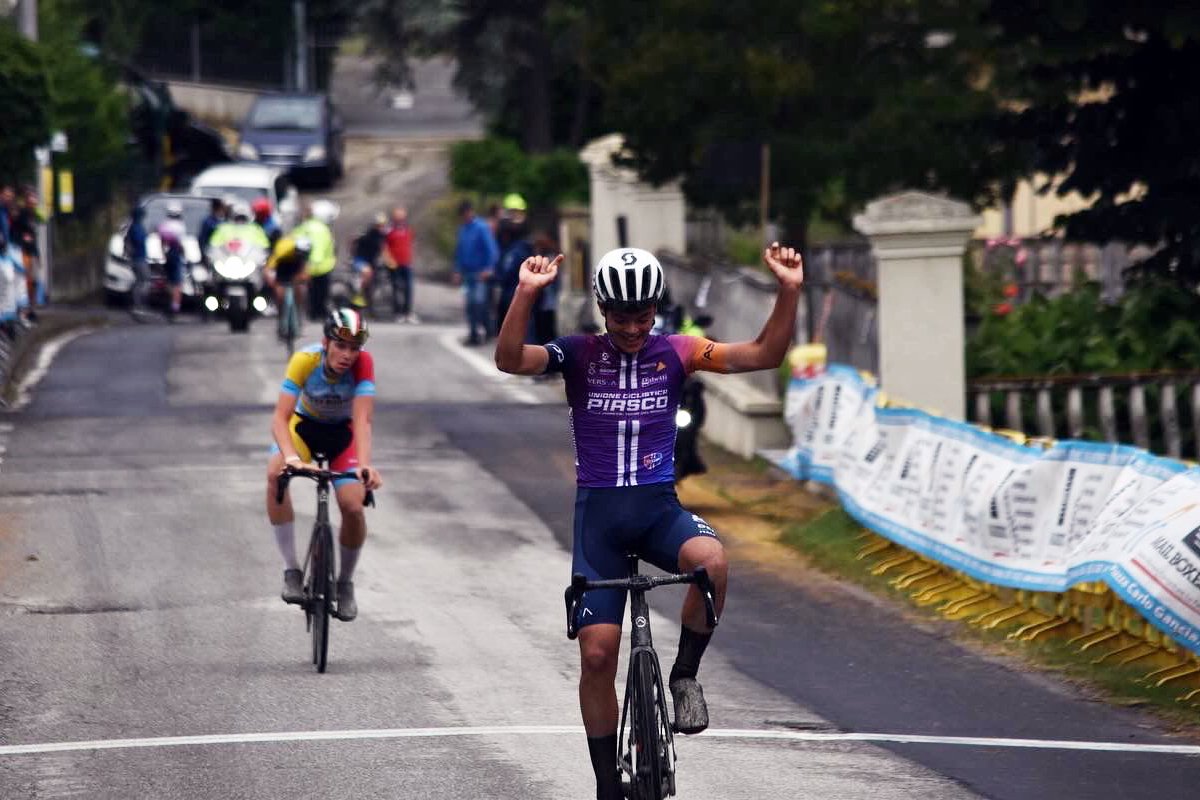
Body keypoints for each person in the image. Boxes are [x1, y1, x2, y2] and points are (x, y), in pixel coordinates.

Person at [495, 243, 804, 800]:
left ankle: (683, 675)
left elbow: (764, 353)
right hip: (600, 523)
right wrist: (525, 294)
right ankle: (608, 784)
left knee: (713, 562)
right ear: (602, 309)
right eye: (621, 317)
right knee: (596, 654)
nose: (634, 328)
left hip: (659, 510)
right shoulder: (578, 353)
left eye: (644, 316)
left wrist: (788, 289)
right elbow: (510, 360)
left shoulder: (680, 351)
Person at [266, 308, 382, 621]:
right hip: (304, 428)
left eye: (354, 348)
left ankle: (344, 583)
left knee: (353, 507)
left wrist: (365, 466)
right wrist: (291, 458)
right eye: (340, 346)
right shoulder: (305, 360)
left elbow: (362, 419)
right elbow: (280, 418)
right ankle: (292, 569)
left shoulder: (363, 365)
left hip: (342, 436)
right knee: (276, 475)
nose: (347, 355)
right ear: (325, 343)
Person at [453, 200, 499, 346]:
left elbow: (491, 250)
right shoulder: (463, 229)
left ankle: (487, 330)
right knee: (470, 305)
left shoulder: (481, 227)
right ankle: (474, 333)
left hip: (480, 273)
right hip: (468, 273)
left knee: (479, 303)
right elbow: (459, 252)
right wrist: (457, 271)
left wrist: (489, 268)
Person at [296, 199, 338, 321]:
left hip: (307, 266)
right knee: (319, 294)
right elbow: (317, 251)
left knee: (313, 294)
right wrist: (310, 266)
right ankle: (317, 314)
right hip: (319, 269)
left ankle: (313, 313)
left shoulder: (305, 225)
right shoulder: (320, 229)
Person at [265, 234, 313, 324]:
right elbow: (269, 267)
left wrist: (305, 277)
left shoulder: (305, 252)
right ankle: (280, 313)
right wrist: (271, 279)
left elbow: (306, 268)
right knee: (279, 293)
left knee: (301, 288)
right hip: (282, 265)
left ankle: (298, 312)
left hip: (296, 265)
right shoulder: (282, 250)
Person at [384, 206, 418, 323]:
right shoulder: (389, 230)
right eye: (397, 217)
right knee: (396, 288)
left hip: (406, 263)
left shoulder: (408, 229)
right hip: (394, 264)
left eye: (401, 217)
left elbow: (411, 244)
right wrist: (388, 260)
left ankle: (408, 312)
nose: (399, 219)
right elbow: (385, 247)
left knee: (408, 288)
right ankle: (397, 313)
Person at [157, 201, 188, 320]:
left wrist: (164, 255)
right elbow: (180, 244)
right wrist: (184, 254)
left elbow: (161, 242)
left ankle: (169, 303)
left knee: (169, 281)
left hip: (168, 255)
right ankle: (175, 306)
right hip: (176, 255)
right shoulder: (180, 226)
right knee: (178, 283)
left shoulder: (164, 225)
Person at [351, 213, 388, 309]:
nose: (381, 227)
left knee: (374, 279)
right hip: (360, 260)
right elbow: (354, 241)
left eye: (383, 225)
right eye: (379, 225)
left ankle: (369, 302)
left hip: (371, 261)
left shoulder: (382, 235)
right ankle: (358, 295)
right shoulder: (370, 234)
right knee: (368, 273)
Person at [123, 205, 150, 315]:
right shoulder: (136, 227)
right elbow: (139, 241)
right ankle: (138, 304)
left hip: (138, 257)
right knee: (144, 280)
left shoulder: (134, 227)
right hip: (139, 258)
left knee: (141, 280)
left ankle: (138, 303)